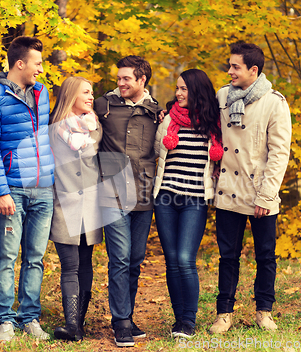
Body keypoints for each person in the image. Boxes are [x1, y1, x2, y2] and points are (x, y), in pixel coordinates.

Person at [0, 36, 55, 342]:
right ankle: (4, 320)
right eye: (37, 63)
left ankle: (30, 318)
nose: (41, 69)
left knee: (35, 257)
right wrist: (1, 191)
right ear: (19, 63)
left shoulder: (42, 93)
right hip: (13, 190)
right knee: (6, 257)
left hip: (43, 190)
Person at [209, 42, 292, 333]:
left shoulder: (274, 102)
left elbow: (279, 153)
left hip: (260, 191)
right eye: (229, 65)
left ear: (253, 70)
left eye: (235, 67)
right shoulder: (221, 96)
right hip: (229, 187)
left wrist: (266, 195)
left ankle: (264, 311)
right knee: (227, 255)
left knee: (265, 255)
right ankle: (224, 313)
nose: (229, 71)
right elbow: (205, 125)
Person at [94, 55, 163, 347]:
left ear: (141, 80)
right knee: (119, 258)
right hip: (112, 193)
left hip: (144, 194)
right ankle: (120, 321)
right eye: (118, 78)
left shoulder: (154, 110)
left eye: (126, 79)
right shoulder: (103, 105)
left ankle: (128, 316)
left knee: (135, 260)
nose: (120, 83)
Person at [153, 69, 223, 339]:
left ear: (197, 91)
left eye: (184, 89)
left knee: (185, 259)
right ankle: (179, 319)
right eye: (177, 89)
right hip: (166, 198)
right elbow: (154, 149)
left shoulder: (214, 124)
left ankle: (189, 321)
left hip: (195, 199)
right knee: (171, 261)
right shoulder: (168, 119)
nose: (178, 93)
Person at [48, 77, 103, 341]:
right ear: (71, 94)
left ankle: (79, 324)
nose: (91, 96)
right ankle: (71, 325)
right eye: (86, 92)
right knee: (70, 264)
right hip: (64, 205)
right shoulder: (53, 129)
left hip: (90, 206)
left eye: (92, 92)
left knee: (86, 263)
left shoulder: (94, 127)